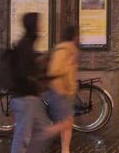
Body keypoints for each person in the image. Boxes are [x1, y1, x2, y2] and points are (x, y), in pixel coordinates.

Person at [9, 12, 51, 153]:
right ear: (33, 25)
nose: (41, 25)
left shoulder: (27, 43)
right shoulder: (25, 44)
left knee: (43, 129)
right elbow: (25, 72)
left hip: (31, 97)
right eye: (38, 22)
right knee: (23, 136)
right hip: (25, 97)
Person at [44, 25, 79, 153]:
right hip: (60, 92)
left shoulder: (69, 49)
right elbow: (55, 70)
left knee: (67, 123)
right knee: (67, 123)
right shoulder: (64, 50)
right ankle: (43, 133)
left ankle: (65, 149)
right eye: (77, 35)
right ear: (74, 36)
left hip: (65, 92)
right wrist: (69, 64)